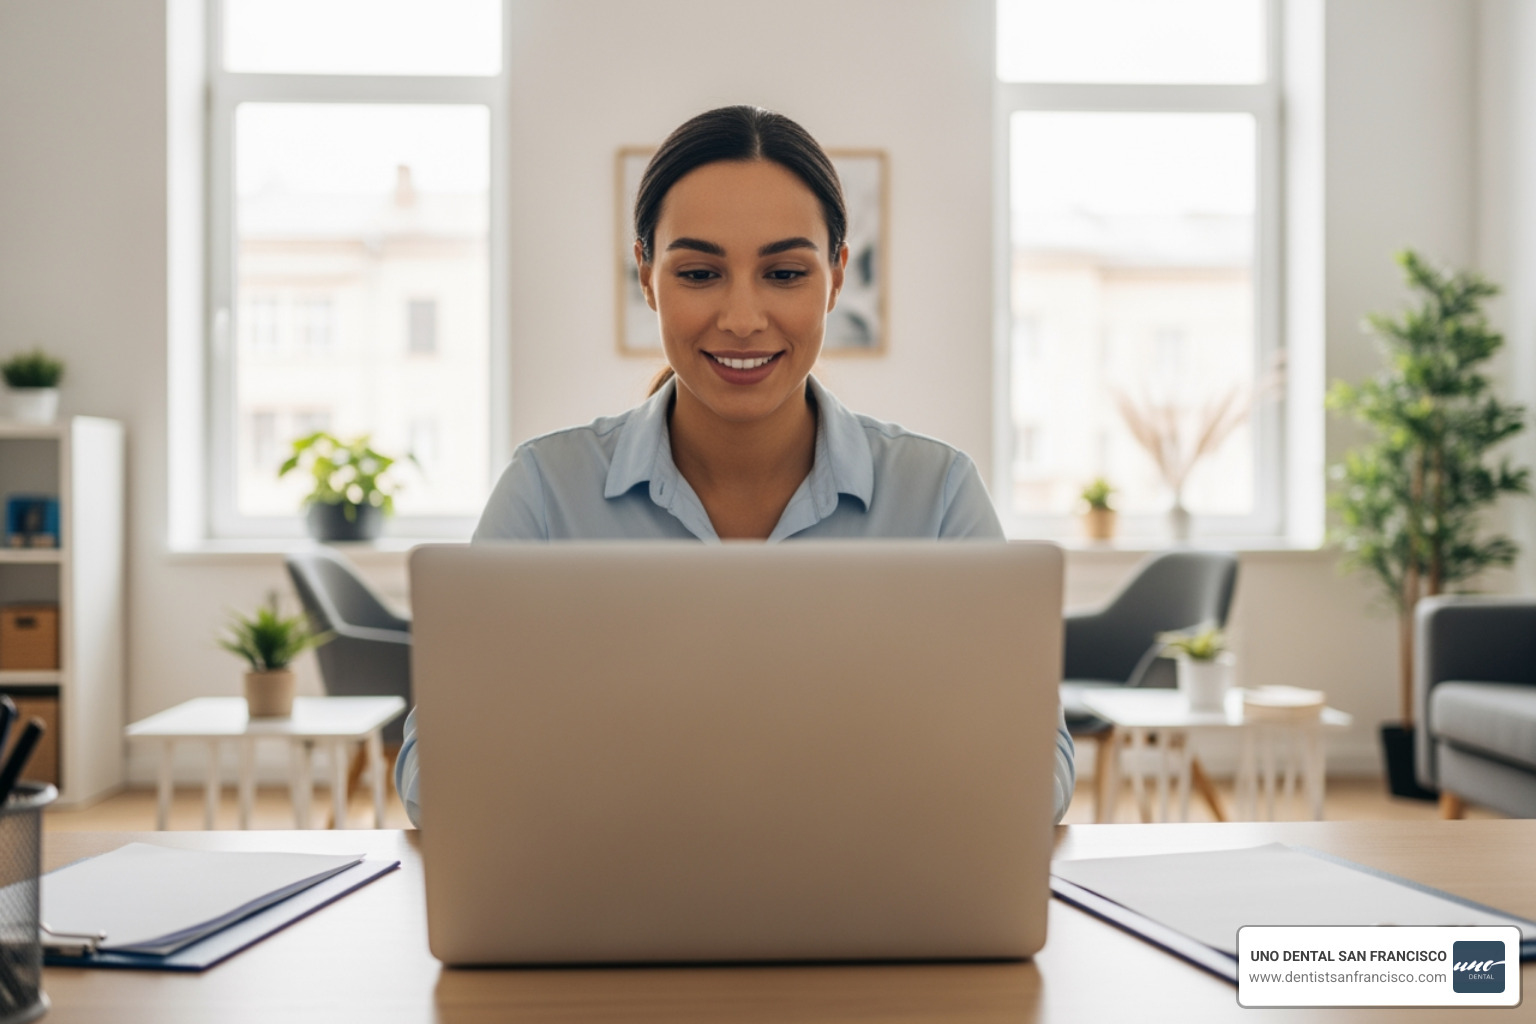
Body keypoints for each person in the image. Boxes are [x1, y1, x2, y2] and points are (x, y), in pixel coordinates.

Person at [396, 105, 1074, 825]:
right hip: (612, 913)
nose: (744, 318)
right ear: (647, 276)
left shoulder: (936, 495)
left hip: (869, 913)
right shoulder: (545, 490)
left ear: (836, 277)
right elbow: (432, 777)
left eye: (784, 272)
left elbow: (1038, 775)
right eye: (699, 272)